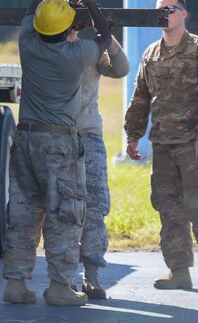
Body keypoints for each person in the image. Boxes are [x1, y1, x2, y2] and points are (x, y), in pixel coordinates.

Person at [2, 0, 112, 307]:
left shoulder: (27, 44)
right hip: (59, 143)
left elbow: (33, 6)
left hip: (26, 137)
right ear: (67, 29)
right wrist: (92, 2)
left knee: (23, 211)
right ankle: (60, 286)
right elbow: (105, 37)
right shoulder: (76, 55)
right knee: (65, 212)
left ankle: (15, 284)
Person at [124, 0, 198, 292]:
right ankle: (179, 272)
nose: (165, 15)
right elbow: (140, 99)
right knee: (169, 212)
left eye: (170, 9)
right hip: (162, 147)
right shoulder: (150, 54)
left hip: (192, 146)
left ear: (184, 14)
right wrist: (133, 135)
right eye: (159, 10)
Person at [69, 15, 128, 300]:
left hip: (88, 135)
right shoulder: (49, 46)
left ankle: (92, 275)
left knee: (94, 208)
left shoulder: (91, 47)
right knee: (64, 210)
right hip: (60, 136)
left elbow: (121, 68)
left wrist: (104, 31)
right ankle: (66, 278)